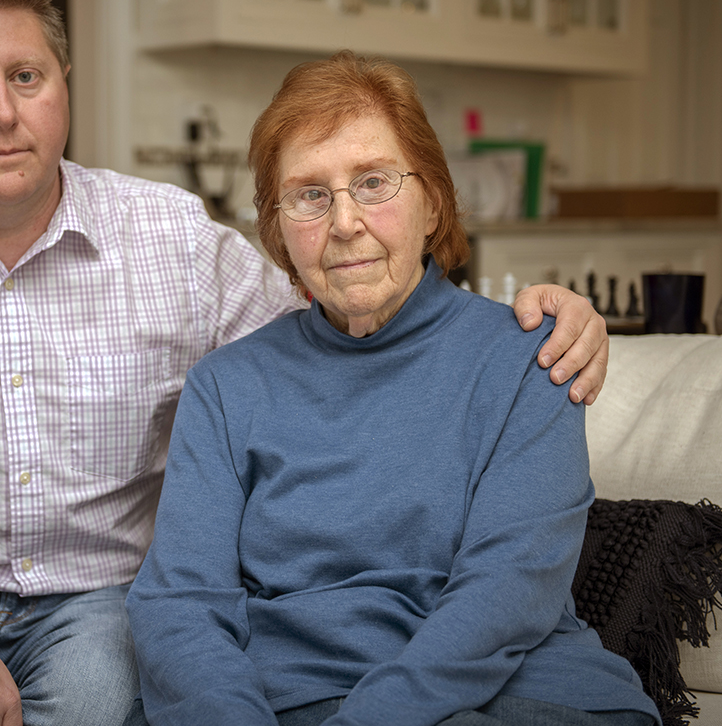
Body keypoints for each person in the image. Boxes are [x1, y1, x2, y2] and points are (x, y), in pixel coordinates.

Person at [0, 0, 610, 726]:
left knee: (108, 686)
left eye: (26, 77)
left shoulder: (173, 239)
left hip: (90, 604)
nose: (2, 114)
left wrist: (555, 317)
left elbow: (346, 314)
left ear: (64, 86)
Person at [123, 52, 660, 726]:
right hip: (295, 699)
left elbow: (508, 589)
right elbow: (179, 603)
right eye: (310, 195)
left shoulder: (533, 357)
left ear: (433, 202)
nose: (344, 222)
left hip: (517, 695)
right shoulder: (226, 388)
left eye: (374, 182)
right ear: (280, 232)